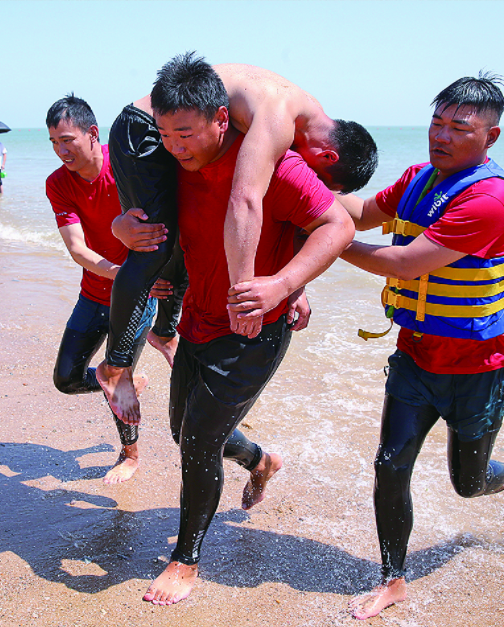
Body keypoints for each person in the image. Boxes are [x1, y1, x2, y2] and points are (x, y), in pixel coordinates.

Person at [139, 53, 356, 606]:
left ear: (220, 118)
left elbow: (338, 224)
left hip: (257, 329)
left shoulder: (276, 165)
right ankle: (261, 460)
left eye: (185, 134)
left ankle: (186, 561)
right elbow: (136, 214)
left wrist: (284, 284)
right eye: (165, 134)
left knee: (199, 440)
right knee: (181, 429)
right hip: (201, 318)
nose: (175, 146)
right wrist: (127, 230)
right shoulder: (171, 166)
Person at [335, 73, 504, 619]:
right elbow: (360, 214)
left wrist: (323, 243)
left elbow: (402, 262)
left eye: (459, 127)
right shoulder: (418, 179)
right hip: (416, 356)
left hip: (480, 367)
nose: (441, 136)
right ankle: (393, 578)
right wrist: (298, 189)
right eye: (437, 122)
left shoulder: (491, 199)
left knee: (467, 483)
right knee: (389, 465)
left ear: (490, 137)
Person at [97, 56, 377, 425]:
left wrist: (293, 284)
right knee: (154, 245)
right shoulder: (277, 120)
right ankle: (115, 365)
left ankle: (164, 330)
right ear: (328, 155)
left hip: (169, 123)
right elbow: (245, 200)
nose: (313, 182)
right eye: (321, 177)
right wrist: (243, 296)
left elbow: (319, 217)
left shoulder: (302, 109)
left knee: (177, 238)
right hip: (144, 127)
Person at [45, 94, 158, 484]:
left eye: (67, 140)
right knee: (67, 378)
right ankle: (125, 380)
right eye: (54, 143)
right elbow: (78, 249)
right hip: (94, 292)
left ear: (93, 134)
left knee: (115, 375)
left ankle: (130, 456)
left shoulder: (127, 167)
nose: (61, 151)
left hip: (139, 300)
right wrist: (123, 274)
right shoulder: (58, 184)